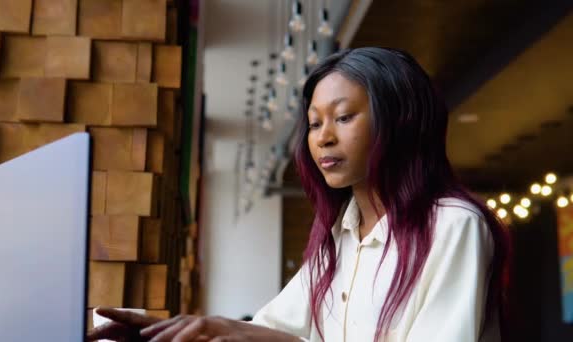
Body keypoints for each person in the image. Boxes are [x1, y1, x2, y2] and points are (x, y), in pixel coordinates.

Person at [87, 47, 509, 342]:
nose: (323, 137)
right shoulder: (340, 238)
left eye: (343, 117)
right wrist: (166, 332)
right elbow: (269, 330)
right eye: (313, 123)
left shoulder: (453, 225)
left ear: (400, 122)